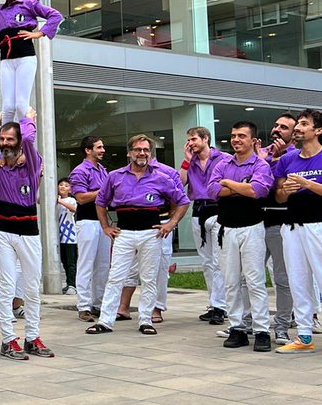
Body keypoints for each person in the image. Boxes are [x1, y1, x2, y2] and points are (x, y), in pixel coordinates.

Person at [88, 134, 189, 336]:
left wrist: (171, 224)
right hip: (123, 233)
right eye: (137, 149)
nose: (142, 153)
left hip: (151, 234)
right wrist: (106, 226)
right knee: (115, 277)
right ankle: (105, 321)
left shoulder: (162, 177)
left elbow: (183, 201)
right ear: (129, 153)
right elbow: (100, 202)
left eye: (145, 150)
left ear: (150, 153)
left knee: (149, 278)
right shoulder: (115, 176)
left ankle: (145, 320)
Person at [273, 109, 322, 359]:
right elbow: (279, 196)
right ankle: (304, 336)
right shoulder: (287, 159)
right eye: (298, 123)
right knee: (298, 281)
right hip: (292, 227)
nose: (298, 128)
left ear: (318, 131)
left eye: (304, 124)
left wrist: (308, 184)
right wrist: (286, 190)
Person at [0, 109, 53, 360]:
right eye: (2, 139)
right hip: (4, 232)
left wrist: (27, 118)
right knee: (7, 285)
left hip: (29, 232)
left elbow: (29, 139)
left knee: (32, 286)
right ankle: (8, 340)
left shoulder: (32, 163)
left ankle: (32, 337)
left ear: (18, 141)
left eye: (10, 139)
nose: (5, 143)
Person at [207, 121, 275, 352]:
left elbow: (258, 191)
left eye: (241, 136)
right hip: (227, 228)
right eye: (233, 135)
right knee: (231, 281)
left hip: (252, 228)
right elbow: (212, 190)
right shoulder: (223, 164)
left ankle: (262, 330)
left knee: (255, 281)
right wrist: (242, 186)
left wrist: (228, 184)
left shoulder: (261, 165)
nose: (236, 139)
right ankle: (237, 328)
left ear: (253, 141)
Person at [180, 127, 228, 324]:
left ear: (205, 138)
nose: (190, 143)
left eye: (194, 139)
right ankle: (213, 303)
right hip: (198, 210)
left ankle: (220, 306)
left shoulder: (223, 158)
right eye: (189, 140)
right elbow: (179, 184)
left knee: (219, 260)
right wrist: (186, 161)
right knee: (207, 262)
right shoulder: (190, 162)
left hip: (218, 209)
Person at [261, 113, 298, 344]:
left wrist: (272, 161)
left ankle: (283, 324)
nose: (277, 130)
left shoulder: (296, 156)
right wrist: (263, 160)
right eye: (276, 125)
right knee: (248, 277)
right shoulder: (261, 154)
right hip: (256, 222)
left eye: (284, 127)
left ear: (294, 134)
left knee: (282, 277)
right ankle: (249, 322)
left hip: (281, 222)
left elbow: (279, 190)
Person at [70, 135, 109, 322]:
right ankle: (84, 306)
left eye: (102, 147)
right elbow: (80, 198)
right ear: (88, 150)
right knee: (86, 264)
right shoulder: (80, 171)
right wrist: (103, 192)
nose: (103, 150)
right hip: (86, 221)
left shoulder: (103, 170)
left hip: (103, 221)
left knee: (103, 265)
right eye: (99, 147)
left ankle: (98, 304)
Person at [56, 179, 78, 297]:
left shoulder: (71, 200)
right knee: (64, 261)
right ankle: (69, 283)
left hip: (70, 236)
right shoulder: (55, 200)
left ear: (70, 189)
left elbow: (74, 209)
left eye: (66, 185)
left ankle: (73, 285)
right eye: (60, 185)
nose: (63, 187)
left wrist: (60, 202)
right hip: (59, 236)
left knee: (71, 262)